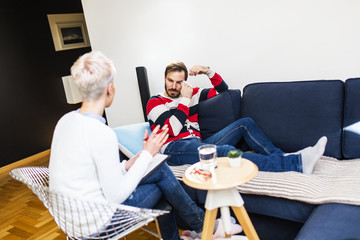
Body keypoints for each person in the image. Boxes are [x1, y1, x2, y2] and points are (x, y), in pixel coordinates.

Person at [49, 52, 240, 240]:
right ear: (110, 89)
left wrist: (128, 164)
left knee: (159, 170)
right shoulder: (103, 133)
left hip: (69, 221)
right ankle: (205, 226)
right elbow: (116, 194)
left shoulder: (65, 121)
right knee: (161, 173)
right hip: (97, 222)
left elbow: (89, 172)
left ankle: (201, 226)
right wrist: (147, 154)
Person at [146, 62, 328, 174]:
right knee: (224, 151)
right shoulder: (155, 102)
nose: (174, 86)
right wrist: (184, 100)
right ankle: (295, 163)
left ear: (185, 81)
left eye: (179, 82)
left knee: (245, 124)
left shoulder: (191, 93)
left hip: (198, 142)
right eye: (170, 80)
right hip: (174, 149)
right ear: (164, 78)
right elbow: (173, 129)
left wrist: (207, 71)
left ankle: (281, 156)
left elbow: (222, 90)